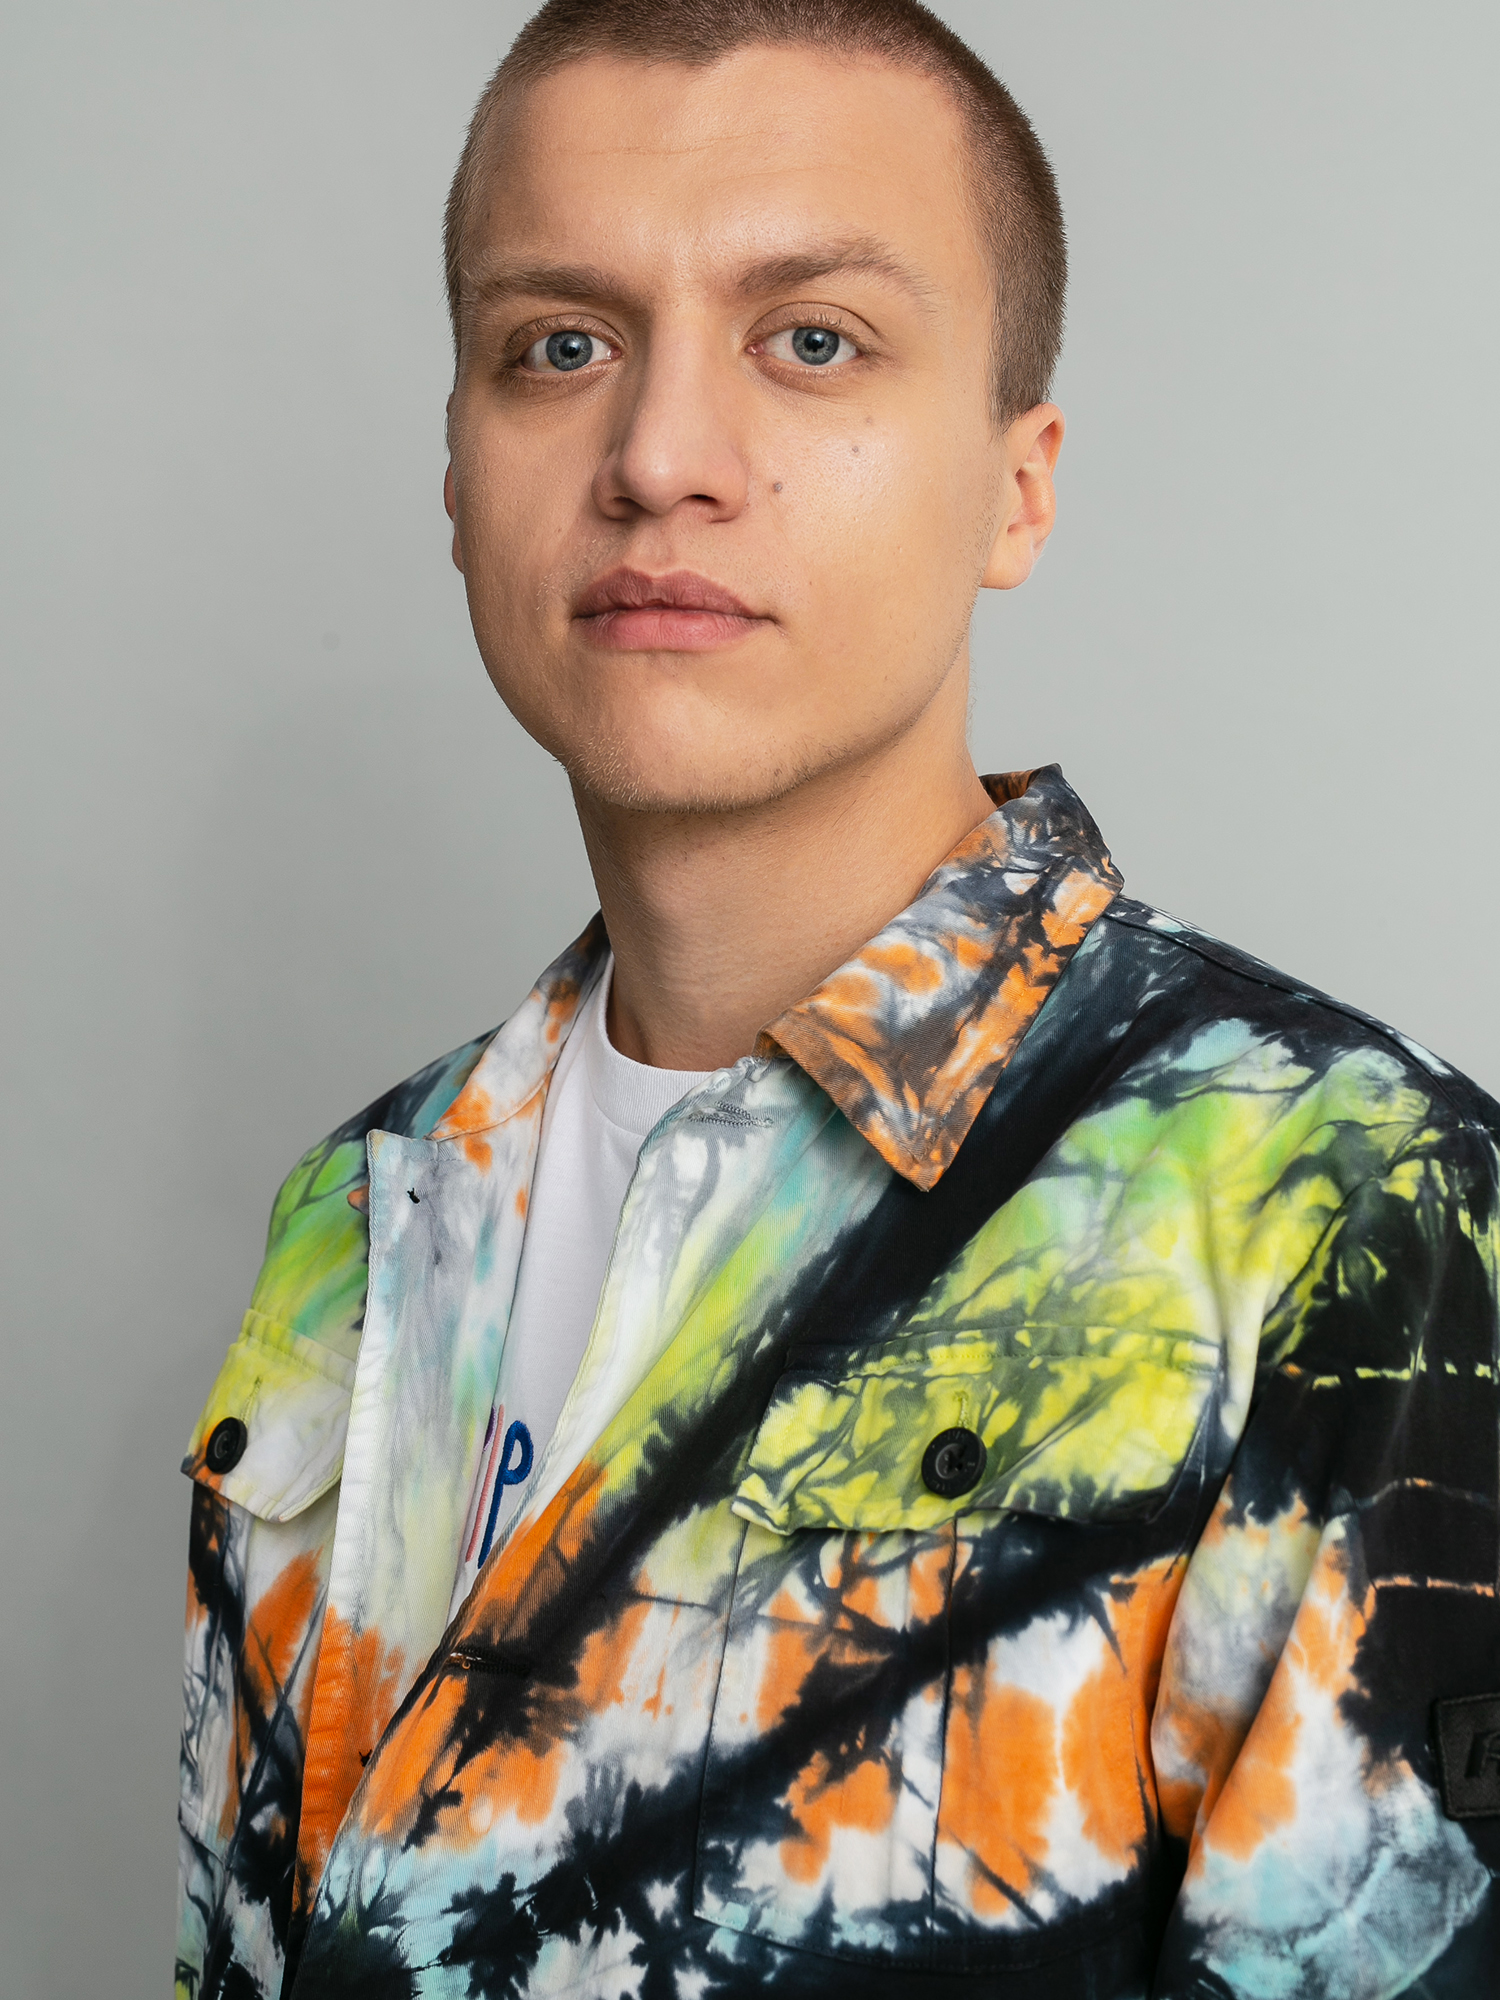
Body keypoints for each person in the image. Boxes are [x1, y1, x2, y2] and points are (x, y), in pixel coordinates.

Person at [173, 3, 1500, 1995]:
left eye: (812, 341)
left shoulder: (1342, 1207)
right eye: (560, 345)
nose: (658, 458)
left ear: (1017, 489)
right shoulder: (355, 1219)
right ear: (456, 471)